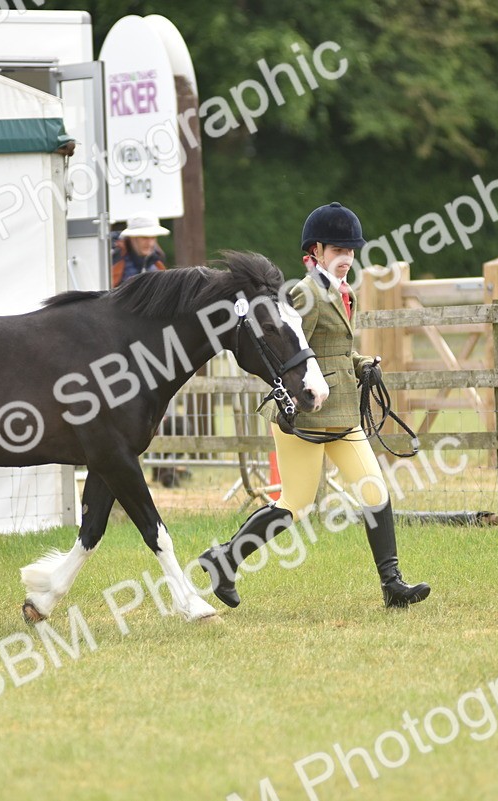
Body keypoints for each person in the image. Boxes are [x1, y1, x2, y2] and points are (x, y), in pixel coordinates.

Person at [198, 202, 431, 609]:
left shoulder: (345, 293)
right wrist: (289, 402)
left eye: (351, 250)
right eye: (339, 250)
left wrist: (362, 365)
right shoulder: (303, 295)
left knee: (375, 491)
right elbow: (291, 353)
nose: (347, 258)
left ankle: (393, 585)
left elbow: (336, 352)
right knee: (296, 504)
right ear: (316, 252)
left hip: (342, 415)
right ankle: (224, 560)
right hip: (304, 416)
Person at [111, 215, 168, 288]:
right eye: (145, 238)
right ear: (132, 238)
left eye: (153, 238)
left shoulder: (157, 260)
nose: (150, 243)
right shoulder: (115, 257)